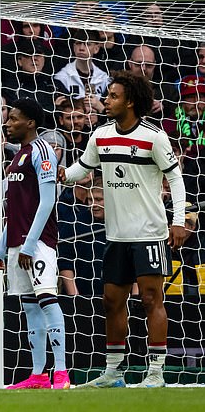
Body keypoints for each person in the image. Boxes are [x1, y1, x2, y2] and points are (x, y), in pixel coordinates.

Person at [59, 70, 187, 388]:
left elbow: (176, 179)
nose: (106, 100)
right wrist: (60, 172)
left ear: (130, 101)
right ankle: (113, 373)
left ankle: (155, 373)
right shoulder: (100, 136)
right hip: (116, 235)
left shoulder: (153, 137)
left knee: (150, 300)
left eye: (113, 96)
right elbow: (81, 169)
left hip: (149, 233)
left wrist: (179, 221)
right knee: (111, 302)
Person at [0, 98, 69, 390]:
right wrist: (1, 247)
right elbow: (17, 212)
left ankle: (60, 373)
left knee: (48, 300)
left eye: (13, 119)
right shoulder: (17, 157)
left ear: (31, 123)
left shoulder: (43, 151)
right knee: (30, 308)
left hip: (38, 245)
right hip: (17, 245)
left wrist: (28, 245)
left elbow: (47, 202)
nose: (8, 124)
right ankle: (38, 374)